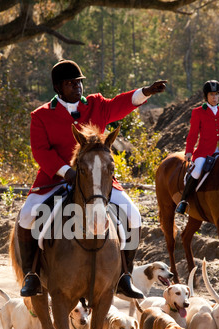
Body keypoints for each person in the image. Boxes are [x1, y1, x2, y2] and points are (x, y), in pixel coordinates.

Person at [18, 59, 167, 297]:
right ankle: (31, 275)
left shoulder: (96, 104)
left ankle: (124, 276)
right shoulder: (41, 115)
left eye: (79, 82)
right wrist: (67, 172)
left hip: (98, 180)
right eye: (70, 83)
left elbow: (120, 104)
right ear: (58, 87)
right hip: (56, 178)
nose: (77, 87)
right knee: (26, 216)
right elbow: (41, 151)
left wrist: (145, 92)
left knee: (134, 216)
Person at [176, 80, 219, 215]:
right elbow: (193, 134)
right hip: (204, 151)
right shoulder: (198, 112)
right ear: (206, 96)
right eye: (211, 95)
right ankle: (184, 201)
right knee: (197, 171)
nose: (214, 97)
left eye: (216, 94)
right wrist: (189, 151)